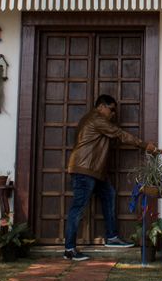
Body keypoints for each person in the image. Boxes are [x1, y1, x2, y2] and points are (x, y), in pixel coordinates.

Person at [64, 94, 157, 261]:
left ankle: (112, 238)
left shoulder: (92, 119)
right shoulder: (96, 119)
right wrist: (145, 145)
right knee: (78, 208)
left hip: (94, 171)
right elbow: (120, 134)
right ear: (101, 107)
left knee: (109, 195)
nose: (113, 114)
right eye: (111, 109)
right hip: (85, 170)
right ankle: (69, 249)